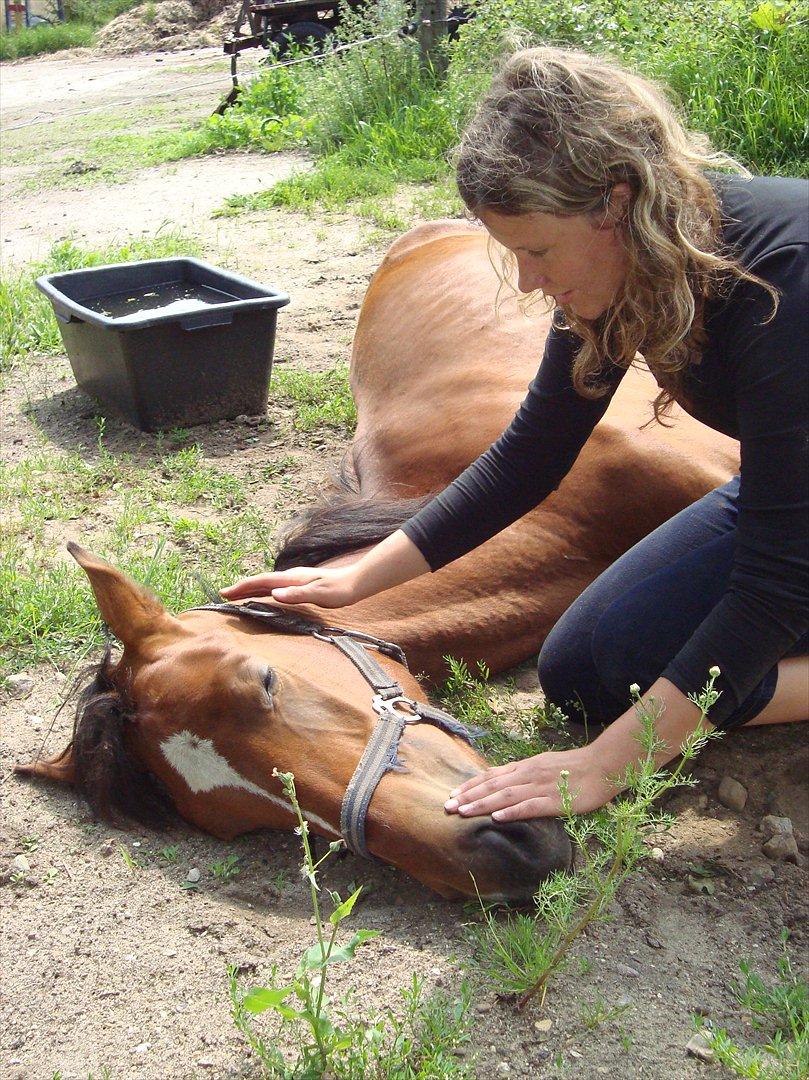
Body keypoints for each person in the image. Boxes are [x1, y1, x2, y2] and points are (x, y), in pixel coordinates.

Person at [222, 47, 809, 823]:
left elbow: (777, 581)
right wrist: (359, 578)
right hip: (788, 497)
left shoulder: (780, 286)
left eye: (536, 250)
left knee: (668, 679)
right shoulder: (633, 264)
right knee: (583, 669)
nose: (529, 282)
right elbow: (530, 454)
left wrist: (608, 766)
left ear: (614, 203)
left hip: (793, 540)